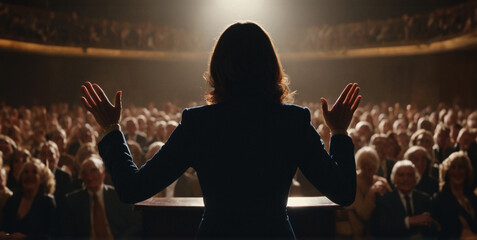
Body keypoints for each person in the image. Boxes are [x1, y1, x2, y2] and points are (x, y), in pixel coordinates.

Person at [80, 22, 360, 239]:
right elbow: (343, 192)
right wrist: (338, 131)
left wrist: (111, 129)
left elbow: (132, 188)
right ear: (271, 67)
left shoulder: (199, 123)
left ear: (218, 68)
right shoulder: (293, 121)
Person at [63, 155, 142, 239]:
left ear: (103, 172)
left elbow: (135, 225)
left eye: (94, 170)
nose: (89, 177)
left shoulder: (119, 196)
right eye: (84, 173)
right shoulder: (72, 201)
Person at [371, 160, 439, 239]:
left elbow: (431, 229)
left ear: (416, 179)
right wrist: (408, 221)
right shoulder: (384, 201)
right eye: (401, 175)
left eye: (409, 175)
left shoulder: (425, 199)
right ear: (394, 179)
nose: (405, 179)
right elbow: (381, 229)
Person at [335, 147, 391, 239]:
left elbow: (393, 208)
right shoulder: (354, 181)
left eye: (372, 162)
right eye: (365, 163)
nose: (370, 166)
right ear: (360, 165)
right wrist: (371, 193)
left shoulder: (381, 181)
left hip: (380, 229)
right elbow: (364, 214)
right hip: (359, 231)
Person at [0, 158, 56, 239]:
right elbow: (4, 227)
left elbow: (52, 235)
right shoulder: (12, 200)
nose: (30, 175)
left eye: (34, 172)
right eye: (26, 172)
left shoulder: (47, 202)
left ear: (42, 178)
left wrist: (26, 238)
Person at [432, 152, 477, 239]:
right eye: (453, 167)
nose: (457, 171)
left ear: (467, 171)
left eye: (461, 167)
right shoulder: (440, 200)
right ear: (447, 172)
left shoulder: (472, 197)